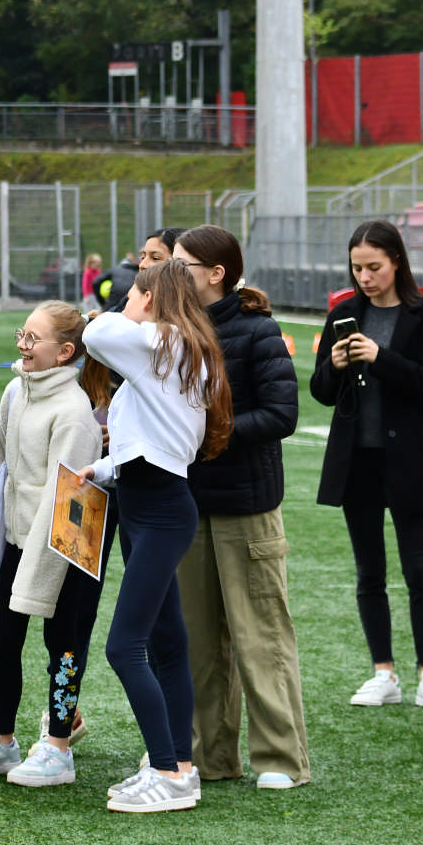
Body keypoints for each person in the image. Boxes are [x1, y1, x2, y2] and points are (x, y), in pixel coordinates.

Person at [76, 260, 233, 813]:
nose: (125, 304)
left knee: (124, 647)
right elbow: (155, 438)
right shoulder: (178, 347)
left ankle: (167, 770)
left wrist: (131, 310)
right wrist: (103, 469)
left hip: (161, 511)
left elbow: (95, 334)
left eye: (134, 295)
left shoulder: (163, 342)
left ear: (150, 298)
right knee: (166, 642)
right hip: (150, 502)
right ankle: (178, 768)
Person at [171, 224, 310, 790]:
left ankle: (280, 759)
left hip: (247, 508)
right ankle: (210, 758)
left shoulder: (259, 330)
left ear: (216, 273)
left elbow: (282, 414)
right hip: (187, 506)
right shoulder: (170, 331)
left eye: (181, 264)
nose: (171, 273)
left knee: (261, 638)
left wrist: (212, 433)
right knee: (198, 642)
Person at [0, 301, 105, 787]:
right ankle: (2, 742)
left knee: (63, 646)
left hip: (65, 550)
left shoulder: (74, 412)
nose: (22, 345)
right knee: (5, 639)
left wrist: (37, 572)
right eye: (21, 334)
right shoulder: (15, 393)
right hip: (20, 540)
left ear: (64, 352)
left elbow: (65, 502)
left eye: (33, 339)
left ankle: (59, 748)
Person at [310, 220, 423, 712]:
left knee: (419, 570)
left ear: (396, 261)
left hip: (411, 458)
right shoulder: (344, 313)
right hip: (358, 461)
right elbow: (321, 392)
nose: (365, 277)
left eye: (374, 267)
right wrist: (335, 365)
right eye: (357, 268)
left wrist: (380, 357)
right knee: (369, 571)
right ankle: (382, 672)